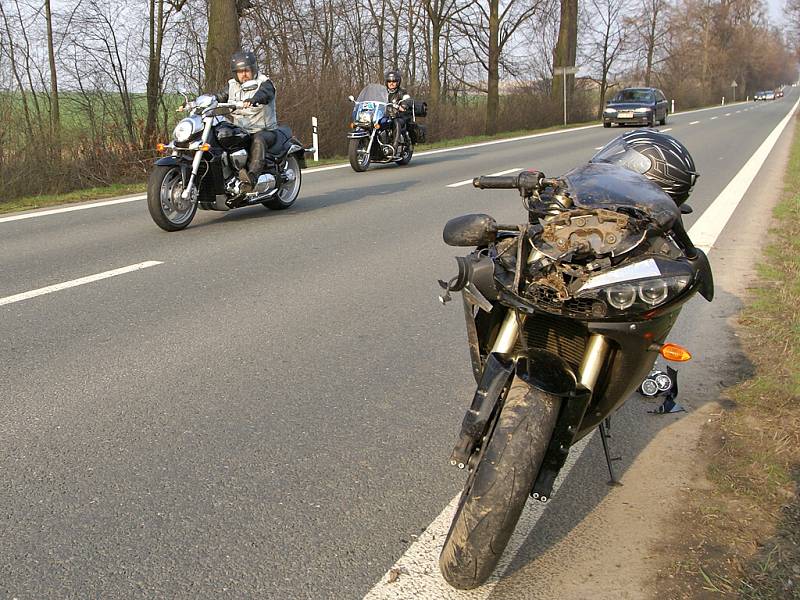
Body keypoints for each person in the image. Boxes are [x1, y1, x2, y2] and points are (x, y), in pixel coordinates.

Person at [213, 50, 278, 192]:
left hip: (264, 130)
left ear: (253, 69)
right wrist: (198, 102)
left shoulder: (264, 83)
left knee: (258, 140)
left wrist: (254, 99)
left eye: (246, 70)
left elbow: (265, 93)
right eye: (240, 71)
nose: (243, 74)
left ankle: (252, 178)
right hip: (241, 130)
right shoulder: (232, 86)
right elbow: (219, 97)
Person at [385, 70, 413, 152]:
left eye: (394, 81)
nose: (391, 83)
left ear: (398, 82)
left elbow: (406, 101)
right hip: (386, 115)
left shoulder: (402, 92)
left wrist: (403, 106)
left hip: (400, 116)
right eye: (389, 81)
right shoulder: (383, 92)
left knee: (396, 122)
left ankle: (394, 146)